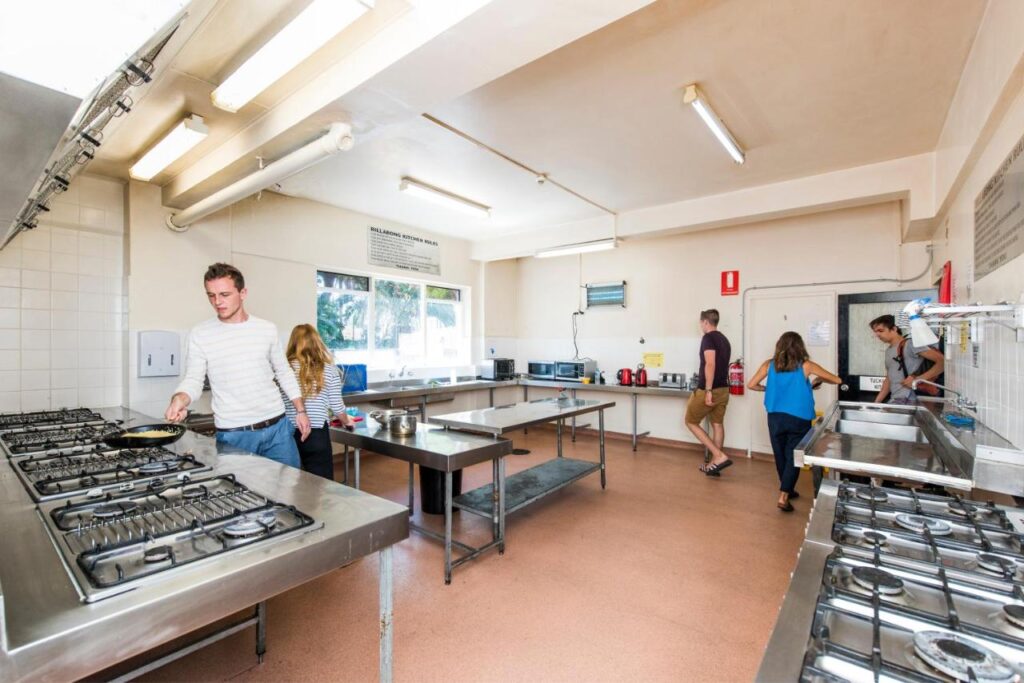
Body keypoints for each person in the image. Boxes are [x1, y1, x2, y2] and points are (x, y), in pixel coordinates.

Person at [165, 263, 311, 467]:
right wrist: (179, 399)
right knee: (243, 496)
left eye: (224, 294)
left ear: (243, 293)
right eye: (211, 295)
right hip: (235, 435)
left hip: (278, 429)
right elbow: (193, 380)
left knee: (290, 490)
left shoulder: (266, 329)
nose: (217, 302)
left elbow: (283, 372)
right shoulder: (200, 334)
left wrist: (300, 411)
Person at [747, 332, 842, 512]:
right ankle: (784, 494)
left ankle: (787, 488)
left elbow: (751, 384)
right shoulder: (806, 365)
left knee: (781, 454)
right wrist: (819, 379)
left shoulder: (769, 365)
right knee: (794, 456)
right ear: (800, 347)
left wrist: (767, 388)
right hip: (799, 418)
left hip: (775, 416)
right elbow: (836, 379)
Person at [283, 324, 354, 480]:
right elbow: (336, 406)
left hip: (288, 432)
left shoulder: (284, 369)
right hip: (316, 434)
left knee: (291, 482)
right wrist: (346, 420)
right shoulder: (327, 369)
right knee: (321, 483)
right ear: (317, 342)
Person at [685, 309, 733, 476]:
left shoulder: (708, 338)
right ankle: (714, 464)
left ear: (705, 322)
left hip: (710, 388)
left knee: (690, 421)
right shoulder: (724, 340)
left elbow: (710, 364)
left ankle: (719, 456)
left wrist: (708, 390)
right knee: (717, 424)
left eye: (701, 322)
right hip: (724, 388)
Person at [869, 314, 944, 405]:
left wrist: (918, 379)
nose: (877, 335)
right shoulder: (888, 351)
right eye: (875, 331)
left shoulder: (910, 344)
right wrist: (875, 403)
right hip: (896, 399)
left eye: (880, 330)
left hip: (911, 399)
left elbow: (942, 362)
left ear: (894, 329)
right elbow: (889, 379)